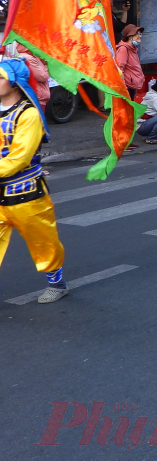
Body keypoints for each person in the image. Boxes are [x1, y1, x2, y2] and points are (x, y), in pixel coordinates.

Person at [0, 60, 67, 304]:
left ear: (15, 82)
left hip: (25, 192)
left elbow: (19, 158)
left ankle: (56, 282)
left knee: (43, 241)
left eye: (0, 78)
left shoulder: (28, 115)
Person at [13, 44, 50, 111]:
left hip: (36, 96)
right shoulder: (28, 58)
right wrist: (46, 67)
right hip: (37, 97)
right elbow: (43, 76)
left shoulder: (31, 56)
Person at [115, 24, 145, 100]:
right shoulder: (124, 49)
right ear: (130, 36)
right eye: (137, 34)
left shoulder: (133, 49)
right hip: (126, 87)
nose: (140, 36)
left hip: (131, 86)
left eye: (140, 34)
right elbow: (119, 68)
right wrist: (123, 86)